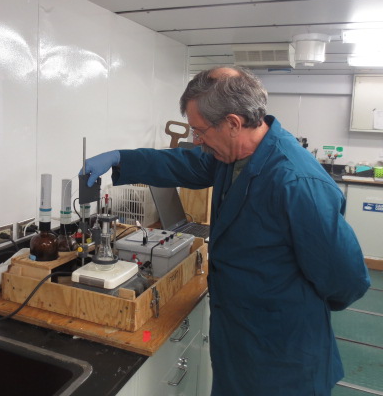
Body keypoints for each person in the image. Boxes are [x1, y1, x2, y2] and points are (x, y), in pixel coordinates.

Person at [83, 66, 370, 396]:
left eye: (200, 131)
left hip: (282, 355)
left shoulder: (296, 183)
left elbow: (346, 279)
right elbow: (185, 164)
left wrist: (286, 305)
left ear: (234, 123)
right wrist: (121, 159)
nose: (197, 140)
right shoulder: (232, 157)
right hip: (238, 341)